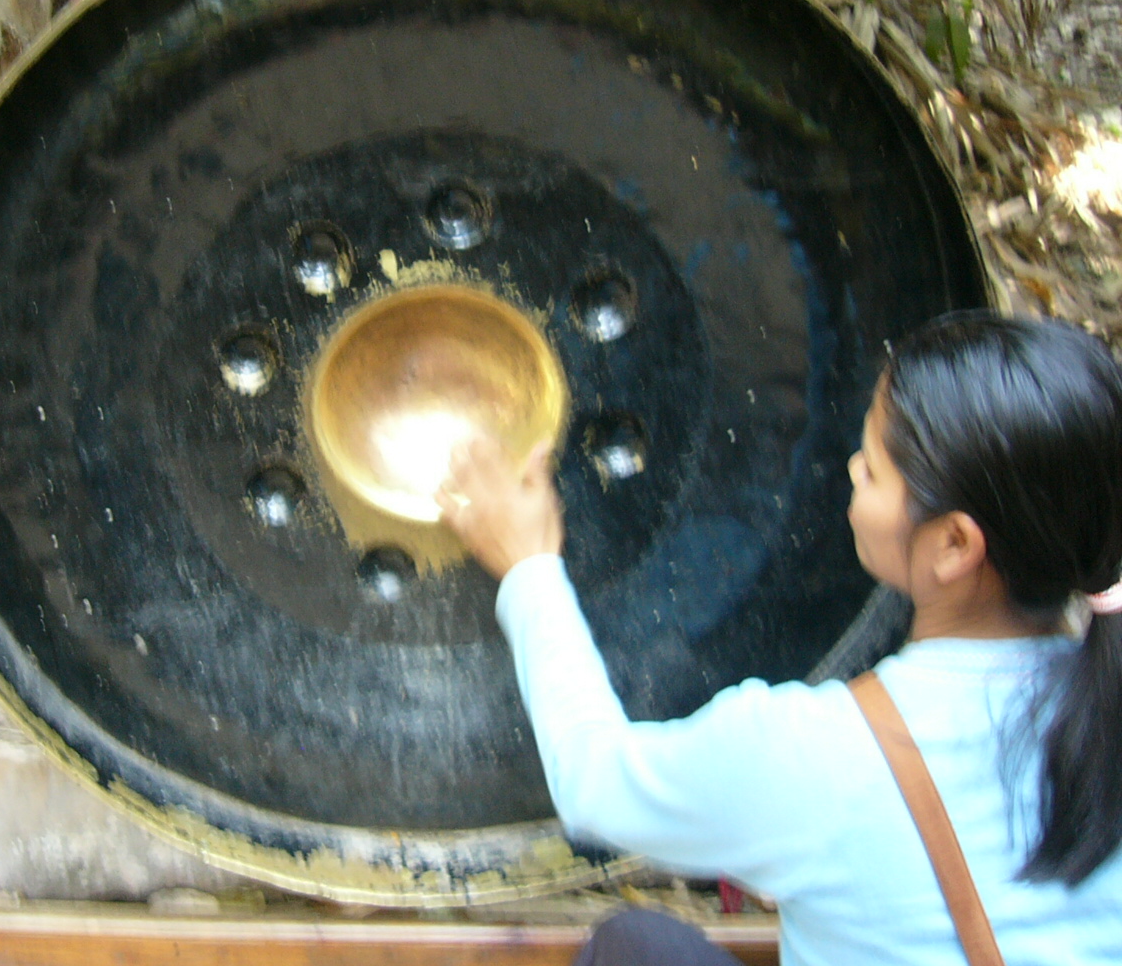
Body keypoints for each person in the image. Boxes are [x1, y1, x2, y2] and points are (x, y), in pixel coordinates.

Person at [437, 313, 1122, 965]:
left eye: (875, 468)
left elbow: (595, 782)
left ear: (953, 544)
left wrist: (528, 566)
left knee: (634, 950)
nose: (853, 467)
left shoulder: (812, 753)